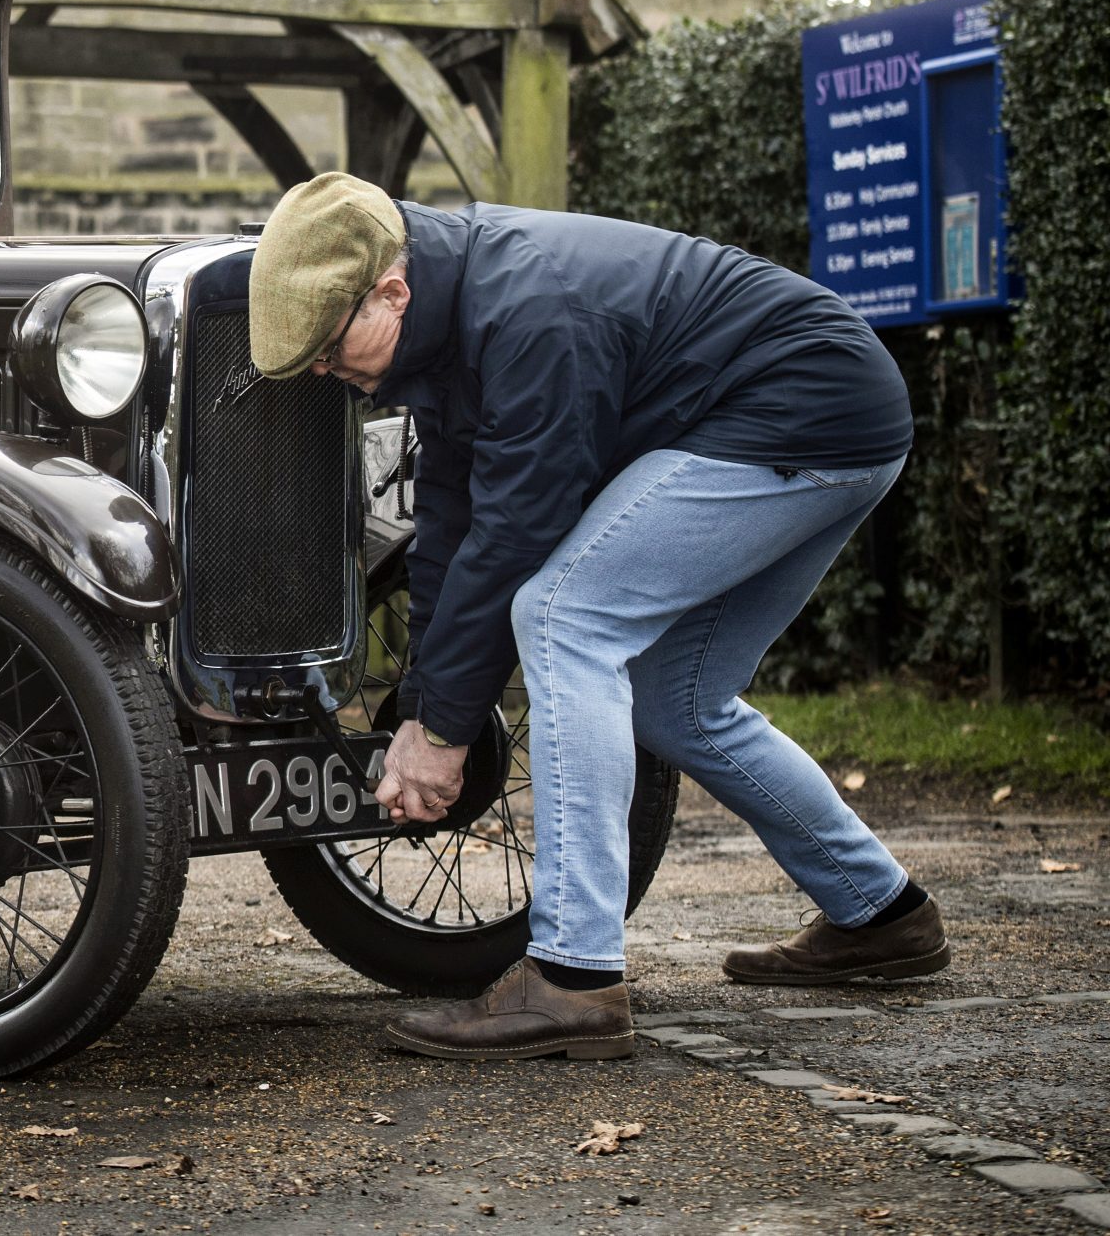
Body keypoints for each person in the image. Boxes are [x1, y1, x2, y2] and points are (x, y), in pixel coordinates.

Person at [245, 173, 948, 1062]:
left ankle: (574, 976)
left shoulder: (531, 316)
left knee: (565, 615)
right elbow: (453, 525)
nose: (322, 370)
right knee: (677, 699)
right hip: (831, 415)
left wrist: (445, 732)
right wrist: (423, 702)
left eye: (328, 346)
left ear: (391, 288)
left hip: (801, 412)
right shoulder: (445, 319)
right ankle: (882, 912)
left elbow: (515, 538)